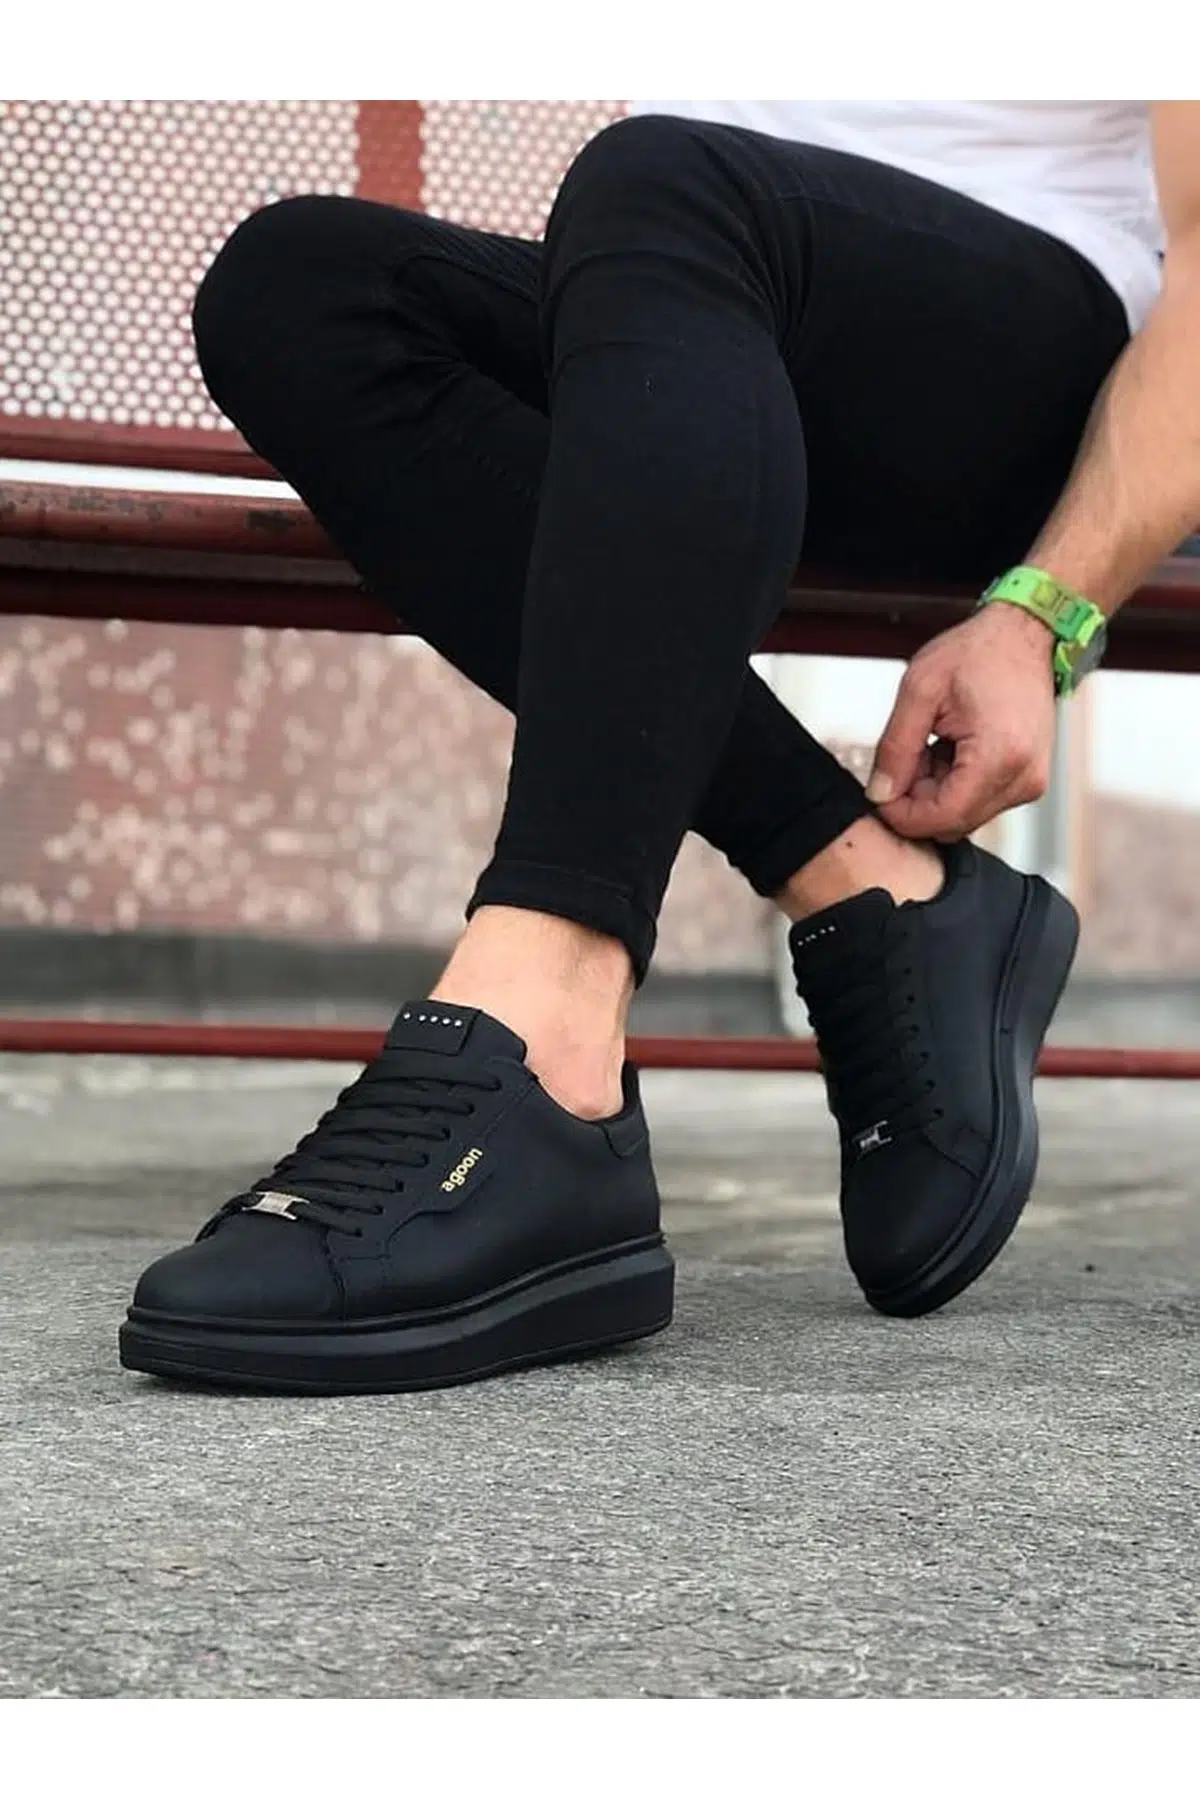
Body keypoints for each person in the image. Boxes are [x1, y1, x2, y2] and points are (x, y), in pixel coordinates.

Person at [119, 101, 1199, 1394]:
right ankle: (876, 889)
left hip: (1046, 383)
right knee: (303, 287)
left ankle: (548, 1036)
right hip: (700, 305)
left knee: (666, 181)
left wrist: (1043, 614)